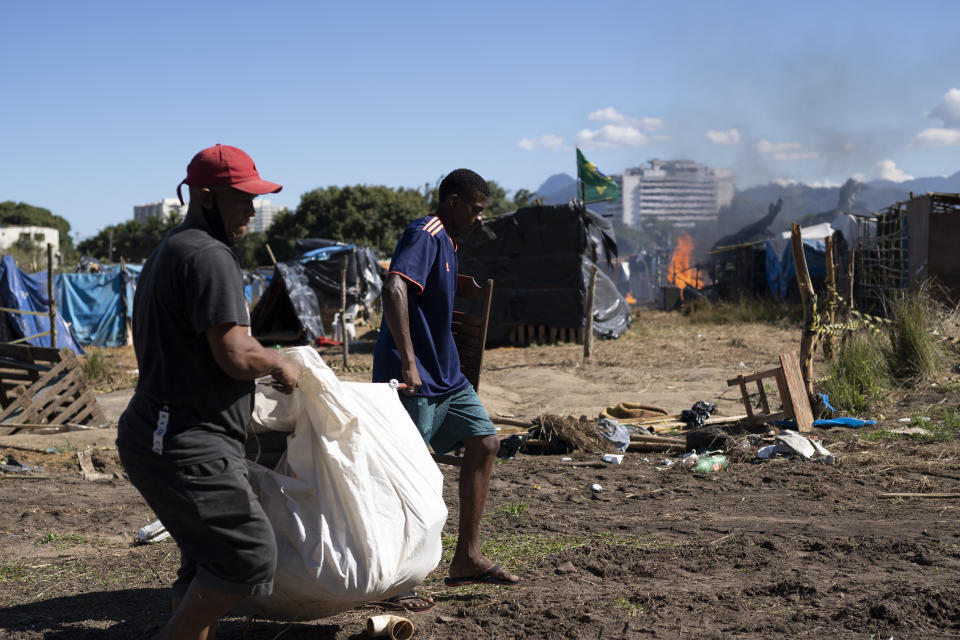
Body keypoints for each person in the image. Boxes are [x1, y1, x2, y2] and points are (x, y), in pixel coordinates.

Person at [117, 144, 300, 640]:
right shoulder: (208, 255)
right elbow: (235, 354)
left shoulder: (171, 250)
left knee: (204, 562)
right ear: (204, 196)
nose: (250, 209)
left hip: (172, 432)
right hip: (182, 438)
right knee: (248, 554)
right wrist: (279, 361)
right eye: (240, 198)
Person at [373, 168, 519, 611]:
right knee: (410, 476)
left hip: (448, 378)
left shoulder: (451, 243)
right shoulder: (425, 232)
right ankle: (397, 581)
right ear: (453, 201)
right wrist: (410, 362)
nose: (478, 219)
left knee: (486, 441)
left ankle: (467, 557)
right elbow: (394, 286)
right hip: (415, 379)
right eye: (475, 210)